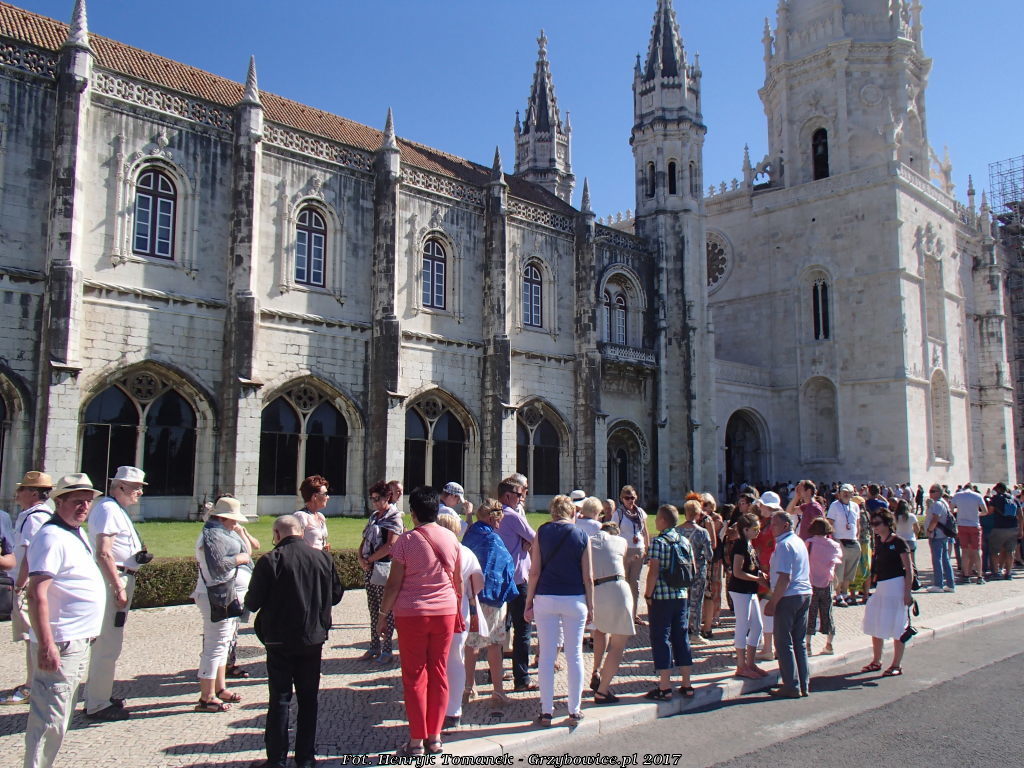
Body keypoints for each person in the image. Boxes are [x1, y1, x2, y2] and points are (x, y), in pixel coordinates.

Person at [244, 515, 343, 768]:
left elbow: (252, 602)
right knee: (309, 700)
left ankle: (276, 760)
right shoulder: (323, 558)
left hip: (279, 639)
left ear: (277, 534)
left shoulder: (270, 560)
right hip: (312, 638)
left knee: (279, 699)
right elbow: (336, 595)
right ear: (301, 532)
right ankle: (306, 758)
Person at [23, 474, 104, 768]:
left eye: (88, 501)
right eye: (77, 501)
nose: (84, 507)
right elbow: (36, 593)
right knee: (49, 720)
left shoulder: (75, 532)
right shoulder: (51, 537)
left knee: (59, 716)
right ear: (59, 502)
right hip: (61, 641)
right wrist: (47, 644)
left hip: (77, 639)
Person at [378, 486, 462, 757]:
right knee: (439, 672)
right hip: (445, 612)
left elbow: (393, 584)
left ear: (413, 513)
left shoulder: (406, 540)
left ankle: (416, 741)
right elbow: (457, 580)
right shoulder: (451, 538)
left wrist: (382, 616)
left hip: (412, 613)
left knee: (414, 675)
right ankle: (435, 738)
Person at [83, 466, 149, 721]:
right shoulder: (109, 509)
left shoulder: (115, 509)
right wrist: (118, 586)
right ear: (120, 486)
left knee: (110, 642)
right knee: (107, 643)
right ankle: (97, 704)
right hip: (116, 578)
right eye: (136, 488)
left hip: (121, 576)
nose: (140, 492)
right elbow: (104, 552)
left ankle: (99, 694)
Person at [524, 494, 592, 726]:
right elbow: (588, 576)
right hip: (575, 598)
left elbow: (534, 571)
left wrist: (529, 601)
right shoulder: (581, 534)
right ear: (572, 512)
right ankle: (575, 709)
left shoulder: (542, 532)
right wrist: (591, 605)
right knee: (574, 655)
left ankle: (546, 711)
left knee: (546, 655)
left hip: (546, 597)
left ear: (552, 512)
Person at [192, 496, 250, 713]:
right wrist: (240, 559)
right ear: (222, 518)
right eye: (232, 520)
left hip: (225, 593)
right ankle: (206, 697)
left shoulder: (219, 532)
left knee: (223, 643)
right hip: (216, 595)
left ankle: (220, 688)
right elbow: (218, 566)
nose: (235, 524)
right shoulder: (212, 535)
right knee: (214, 646)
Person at [3, 471, 53, 707]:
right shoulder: (33, 515)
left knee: (34, 637)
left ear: (33, 493)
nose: (17, 493)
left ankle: (33, 686)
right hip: (27, 584)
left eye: (21, 489)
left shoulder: (35, 518)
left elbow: (32, 556)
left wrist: (21, 585)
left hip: (27, 586)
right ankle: (32, 683)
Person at [462, 500, 517, 709]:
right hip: (491, 597)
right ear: (492, 518)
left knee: (471, 644)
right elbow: (504, 567)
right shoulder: (493, 539)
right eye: (499, 519)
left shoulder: (470, 534)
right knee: (494, 644)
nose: (500, 523)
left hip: (471, 596)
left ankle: (468, 687)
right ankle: (498, 691)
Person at [643, 504, 696, 701]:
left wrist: (648, 595)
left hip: (662, 597)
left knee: (662, 638)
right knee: (681, 636)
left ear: (663, 521)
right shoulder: (684, 541)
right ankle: (687, 684)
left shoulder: (658, 542)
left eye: (657, 518)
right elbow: (692, 569)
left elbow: (653, 572)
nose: (656, 521)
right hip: (681, 596)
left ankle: (665, 686)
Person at [435, 513, 482, 732]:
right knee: (456, 659)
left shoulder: (430, 550)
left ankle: (436, 708)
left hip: (434, 611)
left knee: (435, 661)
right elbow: (478, 583)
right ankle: (454, 711)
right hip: (458, 612)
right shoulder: (466, 552)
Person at [763, 511, 813, 698]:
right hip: (804, 593)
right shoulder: (798, 541)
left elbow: (785, 577)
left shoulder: (784, 545)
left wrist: (773, 602)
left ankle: (791, 685)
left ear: (785, 525)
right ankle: (803, 683)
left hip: (789, 596)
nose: (771, 528)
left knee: (783, 642)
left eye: (774, 524)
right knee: (799, 641)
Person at [860, 508, 914, 677]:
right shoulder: (879, 542)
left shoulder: (898, 542)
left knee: (898, 625)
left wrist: (907, 592)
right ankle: (876, 660)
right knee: (875, 622)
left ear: (887, 523)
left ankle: (896, 664)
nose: (874, 527)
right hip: (881, 587)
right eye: (872, 524)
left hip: (896, 586)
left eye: (877, 523)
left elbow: (909, 569)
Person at [496, 477, 537, 692]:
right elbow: (535, 537)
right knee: (523, 629)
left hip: (498, 579)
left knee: (500, 627)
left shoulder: (494, 515)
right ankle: (521, 679)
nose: (521, 498)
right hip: (517, 579)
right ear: (507, 496)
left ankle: (495, 672)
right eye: (519, 495)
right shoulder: (512, 516)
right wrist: (525, 543)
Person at [587, 521, 635, 703]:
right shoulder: (620, 541)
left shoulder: (588, 541)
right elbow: (623, 561)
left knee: (600, 630)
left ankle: (596, 669)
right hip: (617, 588)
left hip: (596, 590)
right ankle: (603, 690)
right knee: (618, 644)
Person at [358, 481, 404, 663]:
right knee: (373, 608)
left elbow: (391, 545)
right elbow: (364, 539)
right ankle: (374, 646)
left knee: (386, 609)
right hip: (370, 566)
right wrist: (361, 557)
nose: (375, 502)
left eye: (378, 499)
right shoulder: (374, 516)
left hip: (384, 568)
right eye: (373, 499)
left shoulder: (395, 518)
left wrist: (370, 559)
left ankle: (387, 650)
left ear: (387, 497)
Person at [727, 513, 768, 679]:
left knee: (757, 625)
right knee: (743, 625)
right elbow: (737, 572)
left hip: (750, 590)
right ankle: (741, 665)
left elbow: (751, 567)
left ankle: (750, 663)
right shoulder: (740, 545)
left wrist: (760, 576)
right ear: (745, 529)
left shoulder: (750, 544)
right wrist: (757, 579)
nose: (758, 531)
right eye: (755, 528)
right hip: (740, 590)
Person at [805, 517, 843, 656]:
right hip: (827, 583)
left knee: (810, 614)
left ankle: (808, 646)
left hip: (811, 583)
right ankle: (829, 644)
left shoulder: (809, 543)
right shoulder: (834, 545)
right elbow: (836, 562)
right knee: (827, 613)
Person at [613, 485, 649, 626]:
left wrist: (647, 547)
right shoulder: (619, 514)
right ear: (622, 499)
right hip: (624, 550)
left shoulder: (640, 512)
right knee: (624, 581)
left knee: (635, 582)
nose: (630, 501)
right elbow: (614, 532)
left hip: (638, 549)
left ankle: (634, 614)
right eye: (627, 498)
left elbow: (645, 531)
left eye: (632, 497)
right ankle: (623, 613)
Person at [678, 499, 713, 645]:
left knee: (682, 602)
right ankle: (695, 632)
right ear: (698, 514)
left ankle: (681, 631)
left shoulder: (677, 531)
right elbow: (709, 555)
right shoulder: (702, 533)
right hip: (698, 570)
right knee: (697, 602)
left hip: (681, 571)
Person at [826, 484, 861, 606]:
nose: (846, 494)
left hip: (853, 541)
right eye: (843, 492)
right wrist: (834, 540)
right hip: (840, 540)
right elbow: (830, 523)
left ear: (852, 494)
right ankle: (838, 594)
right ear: (839, 493)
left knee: (850, 571)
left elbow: (857, 523)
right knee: (839, 571)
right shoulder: (834, 505)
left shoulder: (855, 506)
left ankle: (845, 593)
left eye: (848, 492)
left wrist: (857, 536)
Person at [950, 483, 986, 583]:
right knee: (977, 551)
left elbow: (951, 509)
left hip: (962, 525)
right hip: (974, 525)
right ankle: (979, 576)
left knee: (964, 551)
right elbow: (985, 511)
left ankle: (966, 575)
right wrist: (977, 513)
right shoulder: (977, 496)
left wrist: (960, 511)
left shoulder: (957, 495)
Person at [986, 482, 1022, 580]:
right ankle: (1008, 573)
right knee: (1010, 551)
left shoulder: (995, 499)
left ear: (998, 489)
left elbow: (990, 512)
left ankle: (996, 572)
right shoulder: (1014, 499)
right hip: (1013, 528)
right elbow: (1020, 516)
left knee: (994, 551)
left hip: (999, 527)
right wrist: (1021, 530)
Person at [924, 484, 956, 592]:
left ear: (938, 492)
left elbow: (935, 519)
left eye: (932, 491)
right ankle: (950, 584)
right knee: (945, 559)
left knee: (937, 560)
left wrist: (929, 530)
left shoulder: (937, 504)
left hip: (936, 535)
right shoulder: (944, 502)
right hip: (943, 535)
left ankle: (938, 585)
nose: (930, 493)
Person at [294, 475, 330, 551]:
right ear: (315, 496)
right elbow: (295, 545)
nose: (328, 497)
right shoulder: (301, 516)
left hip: (319, 557)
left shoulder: (320, 517)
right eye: (325, 494)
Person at [893, 499, 918, 572]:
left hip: (899, 540)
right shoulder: (912, 516)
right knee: (912, 562)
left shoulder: (895, 516)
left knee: (901, 562)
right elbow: (917, 528)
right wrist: (916, 535)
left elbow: (893, 528)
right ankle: (914, 576)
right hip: (911, 539)